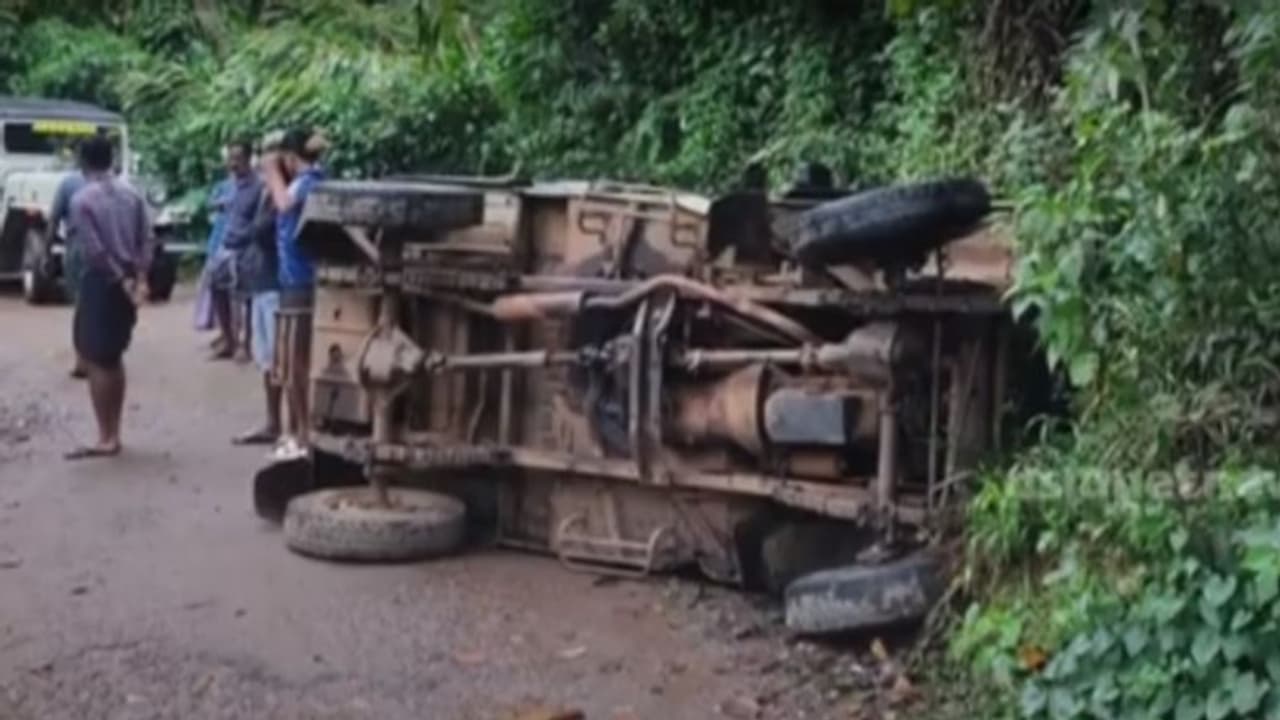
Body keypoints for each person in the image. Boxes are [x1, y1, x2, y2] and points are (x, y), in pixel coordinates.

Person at [64, 135, 153, 460]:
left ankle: (107, 435)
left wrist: (120, 280)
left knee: (97, 357)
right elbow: (147, 237)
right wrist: (139, 277)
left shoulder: (81, 200)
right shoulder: (133, 194)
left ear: (83, 161)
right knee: (113, 355)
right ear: (111, 158)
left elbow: (95, 251)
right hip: (128, 277)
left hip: (102, 281)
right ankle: (113, 430)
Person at [262, 128, 327, 460]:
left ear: (290, 157)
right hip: (295, 279)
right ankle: (298, 430)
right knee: (290, 361)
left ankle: (304, 433)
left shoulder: (309, 182)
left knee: (295, 363)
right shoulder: (313, 179)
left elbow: (284, 204)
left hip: (300, 279)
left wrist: (272, 172)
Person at [232, 135, 283, 446]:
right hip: (263, 280)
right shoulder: (265, 193)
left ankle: (285, 425)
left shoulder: (280, 195)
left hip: (277, 281)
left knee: (280, 360)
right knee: (266, 360)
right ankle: (274, 422)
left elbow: (263, 232)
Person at [211, 140, 263, 364]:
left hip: (248, 246)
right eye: (230, 158)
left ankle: (246, 343)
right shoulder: (231, 185)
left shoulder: (259, 186)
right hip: (227, 244)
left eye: (237, 159)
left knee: (246, 296)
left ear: (248, 159)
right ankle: (229, 339)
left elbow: (260, 218)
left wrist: (249, 236)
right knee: (216, 285)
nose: (233, 163)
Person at [47, 148, 88, 379]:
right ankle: (107, 356)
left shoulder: (69, 184)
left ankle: (83, 359)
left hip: (79, 249)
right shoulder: (123, 188)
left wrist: (46, 252)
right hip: (115, 253)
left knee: (81, 305)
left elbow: (54, 220)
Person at [194, 170, 233, 353]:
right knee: (214, 288)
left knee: (230, 292)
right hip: (218, 240)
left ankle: (231, 336)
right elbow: (211, 204)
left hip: (232, 243)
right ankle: (224, 332)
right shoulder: (223, 186)